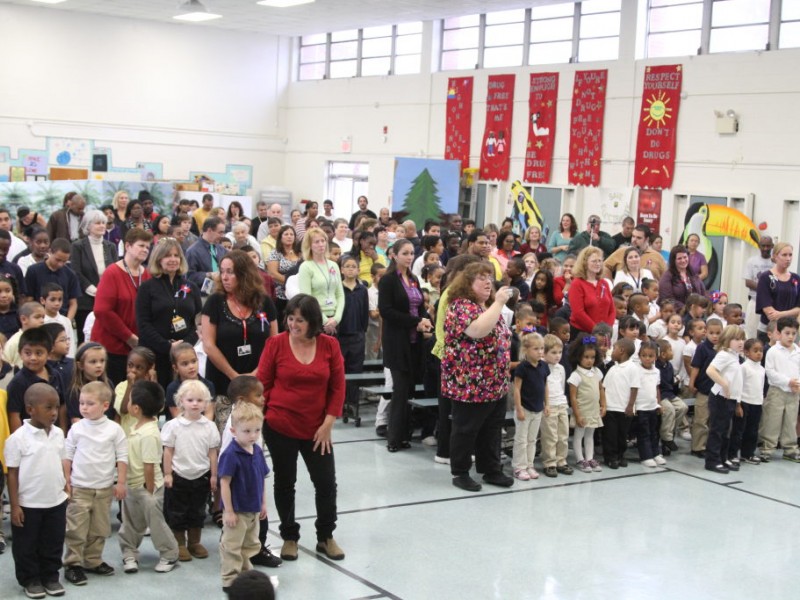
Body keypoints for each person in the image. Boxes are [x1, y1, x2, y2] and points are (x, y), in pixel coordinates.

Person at [257, 294, 346, 561]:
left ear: (313, 321)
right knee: (285, 483)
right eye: (290, 318)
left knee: (326, 483)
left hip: (318, 429)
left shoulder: (330, 346)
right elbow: (263, 382)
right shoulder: (275, 344)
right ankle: (289, 537)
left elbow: (338, 387)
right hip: (280, 425)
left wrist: (328, 423)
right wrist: (264, 417)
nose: (294, 325)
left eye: (300, 320)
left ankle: (325, 536)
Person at [442, 262, 513, 491]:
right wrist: (500, 302)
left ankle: (491, 468)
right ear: (467, 283)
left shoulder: (488, 306)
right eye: (481, 278)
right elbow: (477, 331)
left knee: (492, 428)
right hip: (470, 381)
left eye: (489, 277)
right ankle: (460, 472)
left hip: (494, 380)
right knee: (466, 428)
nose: (488, 282)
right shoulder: (460, 306)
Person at [4, 383, 68, 599]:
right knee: (26, 545)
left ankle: (50, 575)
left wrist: (66, 482)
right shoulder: (17, 439)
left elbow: (61, 461)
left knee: (53, 541)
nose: (53, 413)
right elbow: (11, 473)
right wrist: (14, 505)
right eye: (48, 407)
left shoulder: (59, 433)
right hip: (29, 504)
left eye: (56, 407)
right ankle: (30, 578)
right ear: (30, 409)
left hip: (56, 501)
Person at [63, 381, 127, 586]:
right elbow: (67, 455)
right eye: (82, 403)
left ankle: (92, 560)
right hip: (80, 487)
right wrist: (66, 480)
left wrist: (121, 483)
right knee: (76, 528)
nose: (84, 407)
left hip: (104, 488)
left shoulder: (114, 430)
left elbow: (122, 457)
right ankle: (73, 564)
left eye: (90, 403)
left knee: (99, 527)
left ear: (105, 406)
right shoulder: (76, 428)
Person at [118, 380, 179, 574]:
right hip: (132, 485)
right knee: (131, 523)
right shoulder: (135, 428)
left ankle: (169, 554)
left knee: (156, 523)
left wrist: (150, 492)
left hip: (148, 489)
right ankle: (129, 552)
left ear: (135, 408)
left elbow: (150, 466)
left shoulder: (150, 434)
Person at [378, 239, 432, 452]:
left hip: (414, 342)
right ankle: (394, 438)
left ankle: (405, 435)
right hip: (397, 342)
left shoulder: (414, 279)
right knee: (400, 389)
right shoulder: (388, 280)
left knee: (410, 389)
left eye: (411, 253)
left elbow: (418, 307)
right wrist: (415, 322)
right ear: (394, 255)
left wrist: (424, 319)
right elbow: (387, 311)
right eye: (405, 253)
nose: (409, 257)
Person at [202, 250, 278, 397]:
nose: (224, 277)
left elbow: (274, 342)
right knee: (225, 418)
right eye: (222, 271)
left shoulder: (264, 301)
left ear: (244, 274)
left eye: (230, 272)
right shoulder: (215, 301)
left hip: (259, 378)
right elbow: (208, 345)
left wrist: (256, 373)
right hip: (223, 379)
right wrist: (234, 377)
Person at [161, 380, 220, 562]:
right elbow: (168, 451)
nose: (195, 404)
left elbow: (212, 453)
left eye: (200, 400)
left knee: (198, 511)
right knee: (177, 511)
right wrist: (168, 473)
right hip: (179, 475)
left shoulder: (209, 427)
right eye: (190, 400)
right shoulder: (173, 426)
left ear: (206, 403)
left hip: (201, 476)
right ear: (181, 402)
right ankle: (179, 543)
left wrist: (214, 475)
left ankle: (194, 542)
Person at [218, 402, 271, 591]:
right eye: (247, 431)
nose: (253, 435)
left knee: (251, 544)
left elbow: (261, 478)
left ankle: (244, 572)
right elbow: (224, 483)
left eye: (257, 430)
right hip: (237, 510)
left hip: (253, 508)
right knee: (232, 545)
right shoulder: (231, 454)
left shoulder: (257, 450)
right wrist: (229, 511)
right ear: (233, 430)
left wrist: (263, 503)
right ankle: (230, 579)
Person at [136, 238, 202, 388]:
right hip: (155, 355)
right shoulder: (147, 288)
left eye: (176, 255)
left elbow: (197, 322)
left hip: (184, 357)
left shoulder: (191, 287)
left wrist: (183, 346)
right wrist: (167, 346)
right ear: (158, 259)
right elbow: (143, 324)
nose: (173, 259)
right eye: (167, 255)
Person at [91, 229, 153, 386]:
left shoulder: (147, 275)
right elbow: (102, 311)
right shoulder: (112, 272)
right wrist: (129, 337)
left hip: (136, 349)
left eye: (148, 246)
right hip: (112, 347)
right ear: (128, 246)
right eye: (141, 245)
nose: (145, 249)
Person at [7, 327, 67, 434]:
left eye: (39, 353)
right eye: (28, 353)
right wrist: (19, 440)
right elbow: (14, 414)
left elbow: (62, 405)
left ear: (49, 354)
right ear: (20, 353)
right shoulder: (17, 382)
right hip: (30, 437)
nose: (33, 358)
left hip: (54, 433)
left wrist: (63, 430)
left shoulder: (55, 374)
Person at [71, 210, 117, 343]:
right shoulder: (77, 246)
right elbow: (76, 272)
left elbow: (115, 271)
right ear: (88, 226)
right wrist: (95, 291)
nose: (102, 226)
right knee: (85, 338)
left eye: (104, 223)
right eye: (98, 223)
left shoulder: (110, 247)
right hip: (86, 301)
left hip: (108, 300)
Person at [705, 325, 746, 473]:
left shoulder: (736, 356)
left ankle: (723, 458)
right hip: (720, 398)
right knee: (717, 430)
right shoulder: (724, 355)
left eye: (742, 338)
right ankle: (712, 460)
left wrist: (737, 400)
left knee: (725, 431)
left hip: (731, 400)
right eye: (736, 339)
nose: (740, 342)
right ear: (727, 340)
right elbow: (710, 370)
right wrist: (724, 384)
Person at [759, 316, 800, 462]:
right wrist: (788, 381)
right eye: (787, 333)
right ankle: (767, 448)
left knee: (791, 420)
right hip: (777, 391)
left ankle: (790, 448)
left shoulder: (797, 351)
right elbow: (770, 372)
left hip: (794, 393)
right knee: (772, 420)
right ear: (779, 332)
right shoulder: (773, 351)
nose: (790, 337)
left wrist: (797, 384)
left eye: (793, 333)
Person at [511, 332, 548, 481]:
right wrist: (519, 408)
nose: (540, 352)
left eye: (542, 348)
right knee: (521, 439)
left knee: (532, 439)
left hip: (538, 409)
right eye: (536, 349)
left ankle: (529, 465)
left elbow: (545, 386)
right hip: (524, 409)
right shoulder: (522, 367)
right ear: (526, 350)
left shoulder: (544, 366)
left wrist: (547, 404)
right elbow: (517, 389)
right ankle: (519, 467)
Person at [568, 339, 606, 473]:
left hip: (593, 410)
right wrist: (577, 414)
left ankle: (590, 458)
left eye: (592, 357)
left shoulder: (597, 372)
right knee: (579, 435)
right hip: (582, 411)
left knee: (590, 434)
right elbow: (572, 397)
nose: (590, 360)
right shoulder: (575, 375)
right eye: (586, 357)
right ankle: (580, 459)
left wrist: (604, 405)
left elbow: (601, 389)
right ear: (578, 357)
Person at [298, 227, 344, 335]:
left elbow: (340, 294)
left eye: (323, 241)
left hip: (334, 318)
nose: (321, 244)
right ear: (309, 245)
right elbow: (307, 298)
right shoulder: (306, 267)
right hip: (316, 319)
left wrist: (336, 318)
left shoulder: (333, 265)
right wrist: (325, 321)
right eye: (316, 242)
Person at [689, 319, 723, 458]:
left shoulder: (724, 349)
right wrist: (691, 383)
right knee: (701, 420)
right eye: (711, 333)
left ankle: (711, 446)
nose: (715, 336)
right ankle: (698, 447)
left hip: (719, 391)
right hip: (704, 389)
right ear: (706, 333)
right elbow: (696, 367)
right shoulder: (702, 348)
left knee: (714, 421)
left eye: (718, 333)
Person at [24, 238, 81, 320]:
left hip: (62, 317)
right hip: (40, 318)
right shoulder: (33, 271)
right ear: (50, 252)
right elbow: (29, 299)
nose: (60, 264)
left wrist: (67, 321)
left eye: (64, 261)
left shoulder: (70, 274)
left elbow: (73, 303)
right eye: (57, 260)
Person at [755, 242, 800, 344]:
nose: (788, 258)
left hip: (790, 331)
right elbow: (768, 310)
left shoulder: (796, 278)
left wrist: (781, 314)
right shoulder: (765, 277)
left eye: (790, 255)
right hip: (770, 329)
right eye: (784, 255)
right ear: (775, 256)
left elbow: (798, 308)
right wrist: (779, 317)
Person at [602, 339, 638, 469]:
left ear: (622, 350)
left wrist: (630, 406)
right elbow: (604, 387)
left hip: (624, 409)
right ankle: (610, 457)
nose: (612, 351)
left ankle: (620, 455)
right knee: (610, 434)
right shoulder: (612, 368)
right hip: (611, 408)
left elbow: (634, 388)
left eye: (614, 348)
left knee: (622, 435)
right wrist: (603, 404)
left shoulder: (632, 368)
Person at [629, 340, 664, 468]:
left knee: (654, 432)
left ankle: (655, 453)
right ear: (639, 356)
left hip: (652, 407)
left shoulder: (656, 371)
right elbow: (633, 388)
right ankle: (646, 456)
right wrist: (633, 406)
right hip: (641, 407)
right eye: (644, 355)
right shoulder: (636, 370)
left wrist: (658, 404)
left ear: (656, 357)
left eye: (651, 356)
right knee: (643, 433)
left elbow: (656, 388)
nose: (647, 359)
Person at [730, 338, 765, 464]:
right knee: (738, 430)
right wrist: (738, 405)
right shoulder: (743, 367)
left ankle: (748, 453)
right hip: (744, 402)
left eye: (761, 350)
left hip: (757, 403)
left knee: (753, 430)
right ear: (747, 352)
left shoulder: (761, 369)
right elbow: (738, 386)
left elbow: (760, 387)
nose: (759, 353)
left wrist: (761, 401)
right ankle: (733, 454)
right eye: (755, 350)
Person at [569, 246, 615, 338]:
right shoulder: (577, 284)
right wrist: (596, 330)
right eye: (594, 261)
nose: (598, 264)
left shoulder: (604, 283)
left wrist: (607, 329)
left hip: (604, 334)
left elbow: (612, 309)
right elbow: (578, 313)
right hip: (583, 333)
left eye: (599, 261)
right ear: (585, 263)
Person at [658, 244, 707, 312]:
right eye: (679, 258)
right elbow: (668, 299)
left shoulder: (693, 274)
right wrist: (687, 309)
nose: (683, 260)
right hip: (677, 314)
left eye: (685, 257)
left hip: (696, 313)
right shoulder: (667, 277)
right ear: (673, 260)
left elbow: (702, 293)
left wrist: (701, 307)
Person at [185, 216, 227, 294]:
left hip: (221, 292)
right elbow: (189, 277)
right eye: (220, 232)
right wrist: (209, 275)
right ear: (209, 230)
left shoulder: (222, 249)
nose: (223, 236)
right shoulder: (192, 251)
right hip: (202, 294)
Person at [743, 236, 774, 339]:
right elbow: (748, 282)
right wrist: (765, 288)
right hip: (755, 301)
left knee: (768, 333)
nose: (765, 248)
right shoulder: (752, 261)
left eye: (768, 246)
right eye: (763, 246)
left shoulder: (775, 262)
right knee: (751, 332)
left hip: (772, 304)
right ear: (759, 246)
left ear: (772, 246)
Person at [267, 225, 300, 321]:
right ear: (280, 237)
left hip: (297, 294)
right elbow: (272, 273)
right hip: (280, 294)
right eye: (286, 234)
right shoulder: (275, 252)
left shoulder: (300, 253)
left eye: (291, 234)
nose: (289, 236)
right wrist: (289, 283)